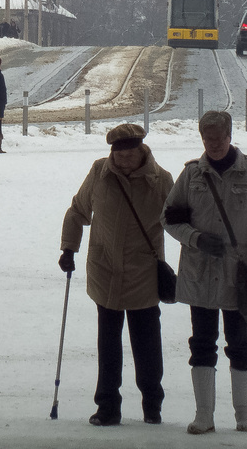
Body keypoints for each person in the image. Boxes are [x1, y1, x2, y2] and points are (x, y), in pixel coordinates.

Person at [162, 111, 247, 434]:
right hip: (199, 273)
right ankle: (204, 415)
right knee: (201, 341)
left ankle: (244, 413)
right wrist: (195, 238)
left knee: (239, 341)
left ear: (230, 136)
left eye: (218, 138)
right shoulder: (191, 175)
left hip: (240, 275)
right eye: (207, 139)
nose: (213, 145)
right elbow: (169, 219)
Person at [59, 123, 174, 427]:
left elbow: (178, 222)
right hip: (106, 270)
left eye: (128, 153)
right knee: (108, 344)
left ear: (141, 150)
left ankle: (152, 405)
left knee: (146, 344)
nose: (121, 159)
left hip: (143, 275)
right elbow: (78, 211)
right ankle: (108, 406)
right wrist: (68, 248)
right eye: (117, 153)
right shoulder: (100, 172)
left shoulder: (161, 180)